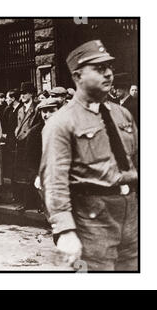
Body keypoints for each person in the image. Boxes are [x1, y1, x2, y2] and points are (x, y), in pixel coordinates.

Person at [40, 40, 138, 271]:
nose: (108, 74)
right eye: (99, 68)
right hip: (94, 219)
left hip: (132, 213)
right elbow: (54, 180)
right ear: (77, 76)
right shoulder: (61, 122)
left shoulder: (122, 114)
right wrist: (65, 231)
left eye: (109, 67)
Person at [25, 97, 61, 214]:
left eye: (51, 111)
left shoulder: (67, 129)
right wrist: (36, 176)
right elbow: (30, 158)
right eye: (44, 111)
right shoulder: (35, 133)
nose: (47, 115)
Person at [13, 81, 40, 209]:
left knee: (32, 173)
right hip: (21, 144)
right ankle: (27, 202)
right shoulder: (21, 109)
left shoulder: (37, 108)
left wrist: (28, 133)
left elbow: (37, 127)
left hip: (32, 144)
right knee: (23, 173)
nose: (22, 96)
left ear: (31, 94)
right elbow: (19, 125)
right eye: (21, 93)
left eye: (25, 93)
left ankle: (33, 203)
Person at [1, 89, 23, 201]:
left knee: (19, 168)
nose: (6, 99)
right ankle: (15, 194)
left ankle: (21, 195)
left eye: (8, 97)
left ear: (13, 98)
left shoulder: (21, 109)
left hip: (19, 142)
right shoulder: (8, 109)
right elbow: (4, 125)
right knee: (11, 168)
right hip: (10, 142)